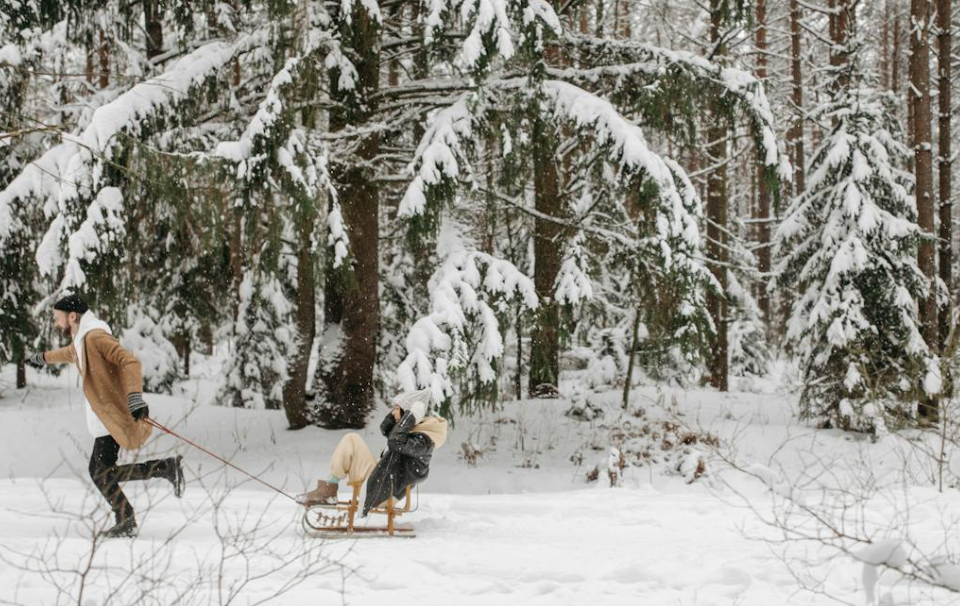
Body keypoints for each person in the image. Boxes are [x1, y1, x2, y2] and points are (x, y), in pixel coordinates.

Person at [26, 294, 185, 538]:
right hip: (104, 417)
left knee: (99, 471)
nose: (57, 322)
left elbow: (129, 362)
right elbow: (70, 353)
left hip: (110, 416)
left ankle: (130, 512)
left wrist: (134, 398)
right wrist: (42, 358)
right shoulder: (82, 340)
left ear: (73, 316)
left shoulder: (95, 336)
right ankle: (161, 472)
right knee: (101, 471)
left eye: (59, 317)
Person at [297, 387, 447, 516]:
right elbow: (386, 430)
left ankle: (329, 490)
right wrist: (403, 414)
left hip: (384, 492)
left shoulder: (423, 441)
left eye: (396, 410)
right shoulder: (412, 435)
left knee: (352, 439)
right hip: (381, 483)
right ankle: (329, 488)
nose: (393, 413)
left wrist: (410, 416)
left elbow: (395, 442)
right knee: (351, 439)